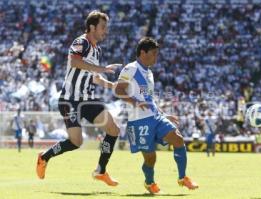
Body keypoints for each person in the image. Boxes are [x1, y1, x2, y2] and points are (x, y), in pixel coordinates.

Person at [36, 10, 121, 186]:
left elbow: (95, 77)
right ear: (92, 27)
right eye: (103, 27)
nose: (106, 31)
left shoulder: (97, 50)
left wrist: (111, 85)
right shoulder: (81, 42)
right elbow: (75, 61)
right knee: (76, 142)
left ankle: (100, 171)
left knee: (113, 129)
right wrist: (101, 68)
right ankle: (44, 157)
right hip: (70, 100)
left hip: (88, 100)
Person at [114, 37, 198, 194]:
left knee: (178, 138)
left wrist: (164, 114)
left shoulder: (150, 73)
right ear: (143, 52)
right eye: (153, 53)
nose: (156, 57)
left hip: (155, 117)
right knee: (150, 158)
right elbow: (119, 91)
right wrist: (136, 103)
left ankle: (182, 177)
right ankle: (149, 182)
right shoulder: (130, 68)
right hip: (139, 121)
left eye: (157, 54)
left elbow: (149, 100)